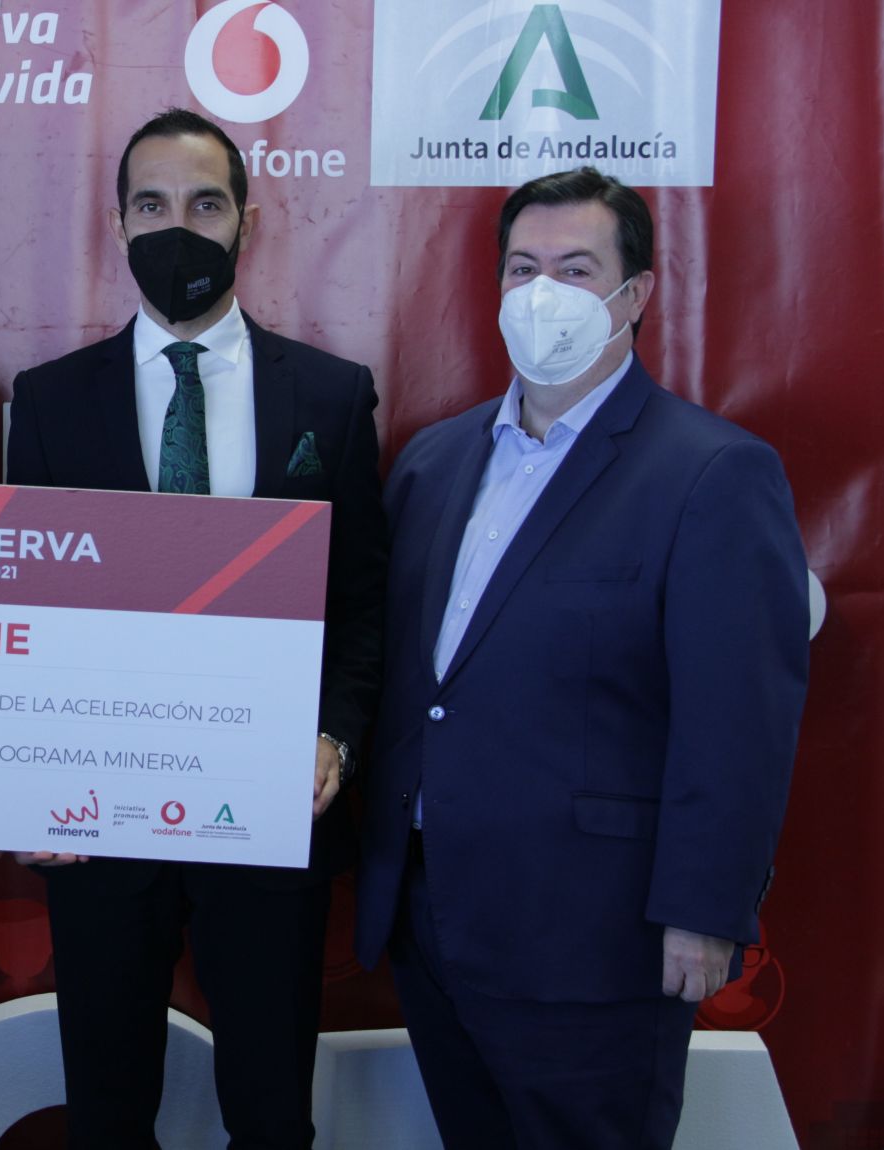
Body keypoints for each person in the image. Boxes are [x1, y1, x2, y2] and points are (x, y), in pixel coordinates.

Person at [355, 166, 810, 1149]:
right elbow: (413, 682)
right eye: (523, 268)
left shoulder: (712, 472)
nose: (542, 293)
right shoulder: (432, 461)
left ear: (634, 294)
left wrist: (703, 908)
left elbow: (738, 718)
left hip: (595, 934)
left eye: (574, 269)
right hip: (432, 914)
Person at [4, 107, 387, 1149]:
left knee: (271, 1113)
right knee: (106, 1113)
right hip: (97, 816)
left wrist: (335, 735)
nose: (178, 228)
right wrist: (25, 779)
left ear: (246, 223)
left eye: (205, 204)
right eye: (152, 205)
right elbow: (24, 617)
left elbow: (360, 601)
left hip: (269, 805)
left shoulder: (330, 396)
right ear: (118, 224)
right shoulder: (47, 402)